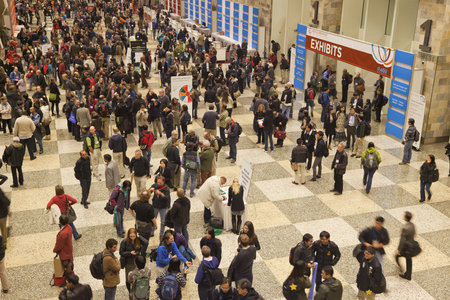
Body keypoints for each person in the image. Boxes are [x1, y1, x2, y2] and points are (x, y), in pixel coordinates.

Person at [120, 228, 142, 293]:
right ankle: (130, 291)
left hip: (136, 263)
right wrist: (130, 253)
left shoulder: (138, 240)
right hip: (129, 263)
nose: (132, 238)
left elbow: (146, 243)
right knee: (128, 279)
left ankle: (136, 290)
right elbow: (121, 252)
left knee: (136, 277)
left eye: (134, 236)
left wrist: (140, 237)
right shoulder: (124, 242)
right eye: (131, 236)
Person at [395, 211, 416, 281]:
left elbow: (402, 240)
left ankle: (401, 269)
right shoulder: (412, 225)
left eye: (404, 216)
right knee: (409, 260)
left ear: (406, 218)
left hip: (406, 247)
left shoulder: (405, 228)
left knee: (396, 256)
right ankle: (408, 274)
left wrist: (399, 250)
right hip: (411, 245)